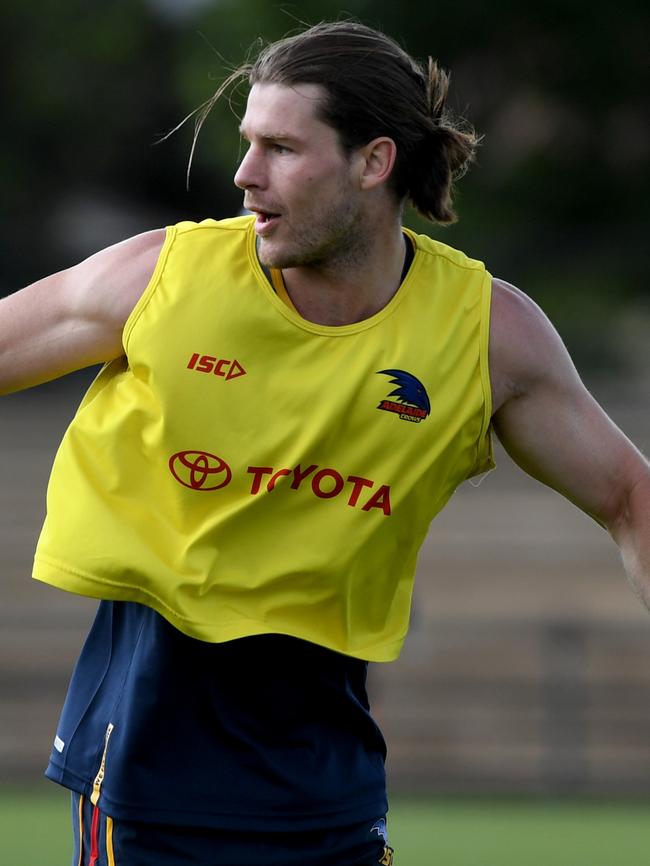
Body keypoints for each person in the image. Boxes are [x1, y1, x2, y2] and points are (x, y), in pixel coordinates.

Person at [2, 20, 649, 866]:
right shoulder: (161, 278)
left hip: (331, 772)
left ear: (373, 162)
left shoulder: (488, 334)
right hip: (147, 755)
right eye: (246, 144)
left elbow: (630, 497)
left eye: (280, 147)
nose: (244, 174)